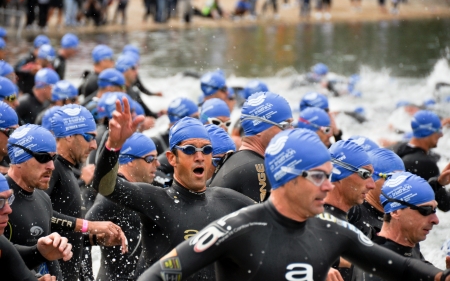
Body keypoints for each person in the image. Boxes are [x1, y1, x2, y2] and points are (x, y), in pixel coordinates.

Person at [137, 128, 448, 281]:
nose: (328, 186)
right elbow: (160, 274)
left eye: (329, 176)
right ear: (287, 176)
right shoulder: (238, 229)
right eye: (317, 177)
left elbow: (402, 266)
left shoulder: (332, 230)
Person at [92, 98, 255, 278]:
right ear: (171, 158)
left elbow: (275, 221)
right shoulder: (157, 201)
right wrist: (113, 145)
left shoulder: (229, 201)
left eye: (207, 150)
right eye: (190, 150)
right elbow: (104, 186)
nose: (200, 156)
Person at [4, 124, 127, 279]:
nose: (51, 166)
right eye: (43, 158)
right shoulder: (3, 199)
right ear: (19, 156)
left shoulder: (43, 199)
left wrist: (96, 239)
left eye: (53, 158)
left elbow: (49, 257)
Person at [86, 133, 159, 281]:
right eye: (150, 159)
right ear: (130, 160)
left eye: (157, 158)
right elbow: (80, 234)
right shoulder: (112, 197)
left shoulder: (142, 191)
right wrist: (86, 278)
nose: (157, 164)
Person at [44, 104, 101, 281]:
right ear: (69, 135)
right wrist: (87, 226)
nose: (94, 145)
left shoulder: (67, 169)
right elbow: (41, 215)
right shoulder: (52, 169)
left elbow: (66, 231)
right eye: (89, 137)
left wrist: (93, 238)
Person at [353, 172, 440, 281]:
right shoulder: (376, 268)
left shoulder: (408, 243)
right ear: (395, 211)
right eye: (425, 210)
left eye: (434, 209)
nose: (436, 220)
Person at [209, 91, 293, 202]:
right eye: (285, 125)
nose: (292, 130)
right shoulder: (257, 169)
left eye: (292, 124)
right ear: (260, 128)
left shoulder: (238, 160)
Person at [0, 173, 74, 281]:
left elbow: (16, 268)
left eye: (8, 200)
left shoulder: (2, 244)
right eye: (0, 202)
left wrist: (39, 253)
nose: (9, 210)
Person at [323, 139, 374, 281]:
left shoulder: (347, 220)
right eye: (365, 174)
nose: (372, 185)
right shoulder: (310, 218)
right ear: (339, 172)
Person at [392, 110, 450, 212]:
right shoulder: (425, 164)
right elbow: (445, 204)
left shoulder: (398, 148)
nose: (441, 135)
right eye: (439, 131)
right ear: (428, 132)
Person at [348, 148, 405, 236]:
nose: (400, 186)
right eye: (392, 178)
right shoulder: (353, 211)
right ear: (371, 178)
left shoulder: (401, 218)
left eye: (403, 179)